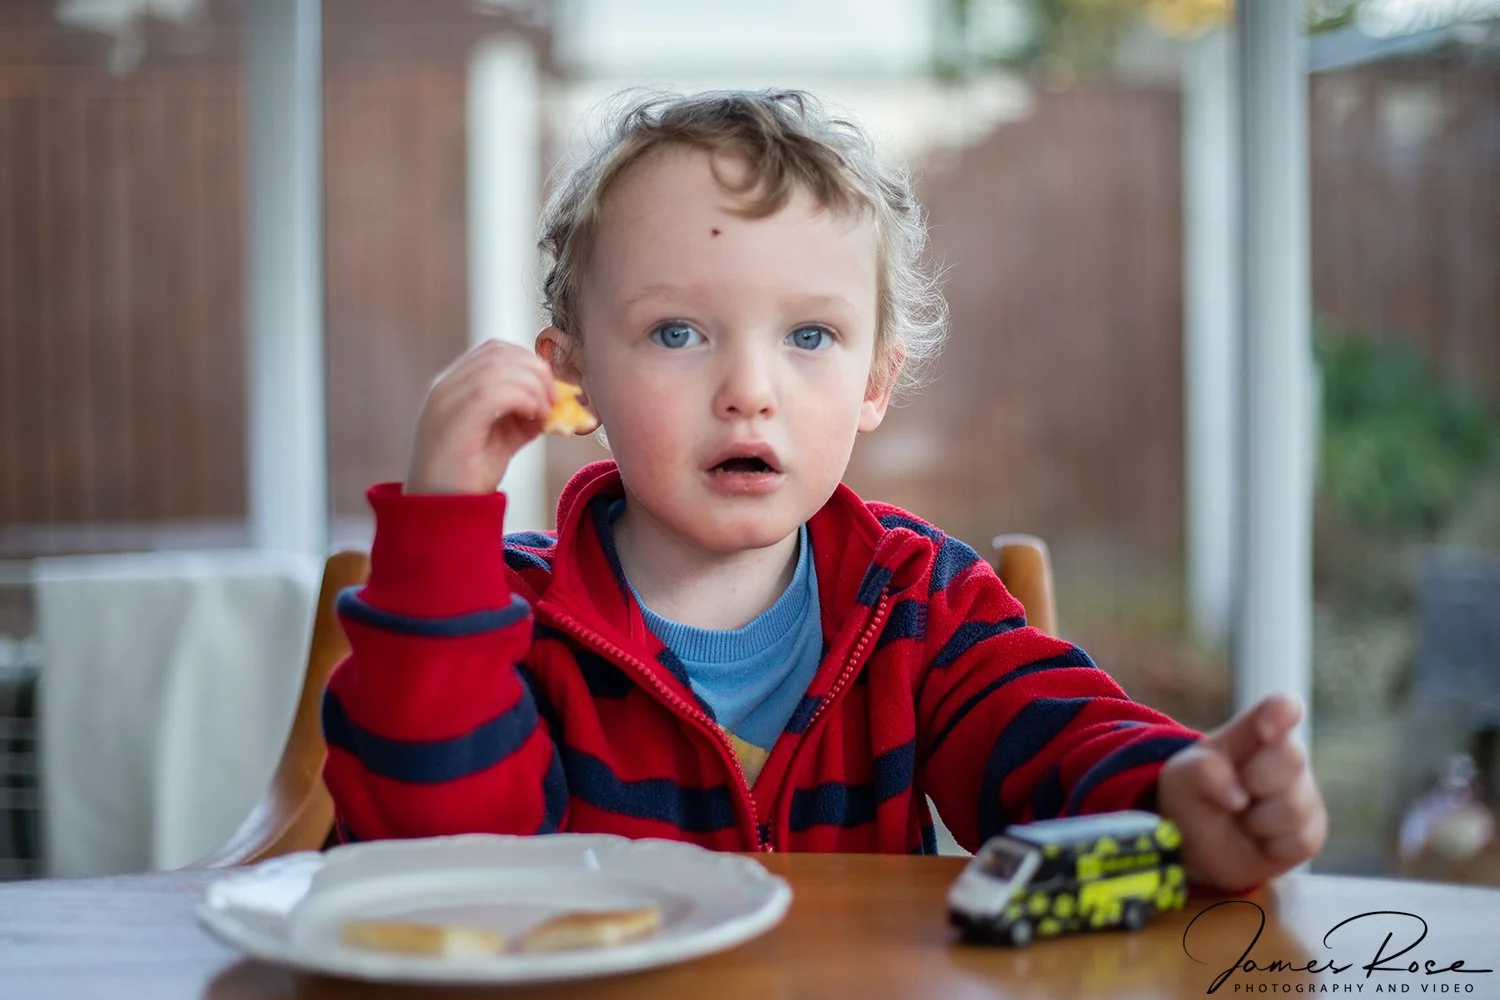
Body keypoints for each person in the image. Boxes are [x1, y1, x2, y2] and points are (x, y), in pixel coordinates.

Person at [322, 89, 1326, 892]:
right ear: (573, 379)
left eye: (809, 336)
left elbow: (1054, 742)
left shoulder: (918, 601)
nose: (749, 392)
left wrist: (1177, 796)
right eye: (678, 332)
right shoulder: (501, 616)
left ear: (875, 381)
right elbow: (436, 863)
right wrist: (444, 529)